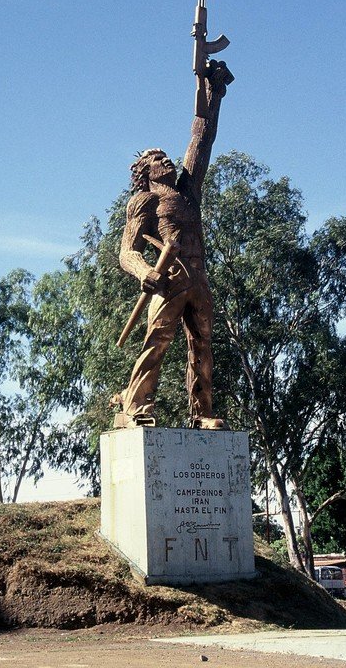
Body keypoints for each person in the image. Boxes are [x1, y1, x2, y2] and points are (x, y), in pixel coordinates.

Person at [114, 62, 232, 429]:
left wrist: (214, 93)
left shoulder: (188, 191)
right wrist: (143, 271)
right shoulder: (144, 202)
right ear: (144, 174)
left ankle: (202, 413)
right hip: (169, 280)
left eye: (165, 157)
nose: (165, 160)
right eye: (156, 160)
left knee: (202, 345)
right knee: (158, 340)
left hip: (199, 278)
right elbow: (127, 251)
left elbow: (202, 140)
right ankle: (134, 407)